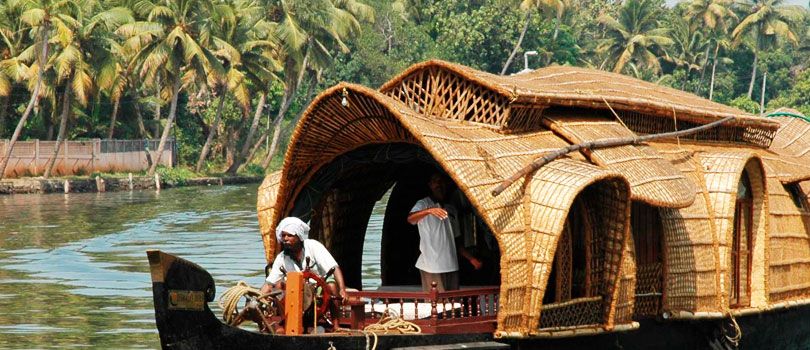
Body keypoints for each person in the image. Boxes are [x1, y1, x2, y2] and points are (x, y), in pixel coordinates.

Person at [407, 173, 482, 292]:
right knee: (437, 306)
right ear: (430, 185)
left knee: (452, 305)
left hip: (451, 265)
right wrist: (429, 211)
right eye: (436, 181)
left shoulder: (451, 209)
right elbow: (410, 219)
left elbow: (456, 241)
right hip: (431, 265)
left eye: (442, 182)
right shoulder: (423, 204)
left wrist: (471, 259)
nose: (439, 184)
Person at [260, 217, 347, 311]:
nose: (285, 238)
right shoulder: (281, 257)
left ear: (299, 237)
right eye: (283, 235)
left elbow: (334, 267)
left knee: (332, 285)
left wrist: (342, 289)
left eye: (290, 235)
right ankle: (285, 320)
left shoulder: (313, 246)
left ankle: (336, 324)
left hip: (319, 288)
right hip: (295, 292)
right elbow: (269, 284)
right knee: (278, 285)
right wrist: (259, 297)